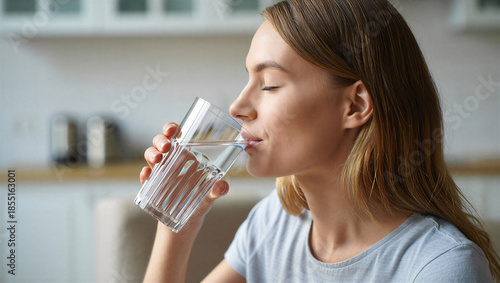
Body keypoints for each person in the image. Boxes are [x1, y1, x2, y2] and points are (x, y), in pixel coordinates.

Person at [139, 0, 500, 282]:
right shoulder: (272, 225)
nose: (237, 106)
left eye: (269, 85)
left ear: (355, 105)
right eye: (249, 79)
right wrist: (177, 223)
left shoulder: (440, 266)